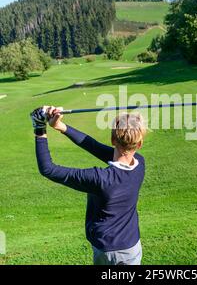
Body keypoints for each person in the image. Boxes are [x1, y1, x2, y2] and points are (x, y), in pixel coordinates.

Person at [30, 106, 146, 265]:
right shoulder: (140, 163)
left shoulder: (100, 179)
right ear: (139, 144)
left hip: (109, 252)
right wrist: (60, 127)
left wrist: (39, 127)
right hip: (132, 245)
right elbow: (93, 146)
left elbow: (48, 169)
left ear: (113, 140)